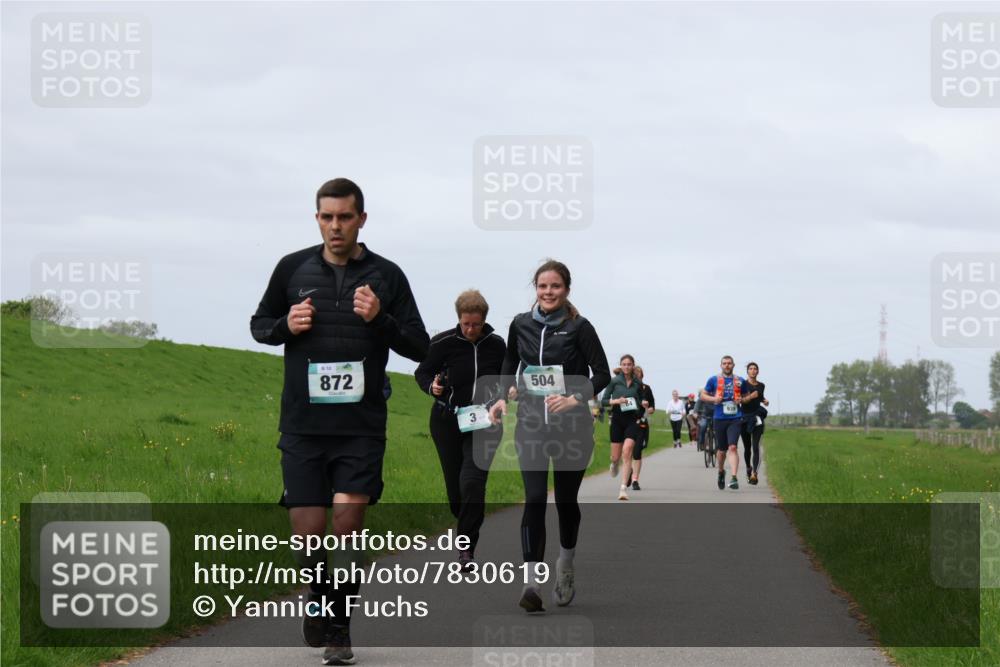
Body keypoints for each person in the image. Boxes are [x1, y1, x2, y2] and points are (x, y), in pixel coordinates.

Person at [250, 178, 429, 666]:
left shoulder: (387, 276)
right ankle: (317, 594)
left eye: (345, 217)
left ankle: (340, 628)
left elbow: (420, 345)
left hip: (360, 427)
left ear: (361, 220)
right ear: (317, 219)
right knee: (308, 532)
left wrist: (381, 321)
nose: (335, 226)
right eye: (327, 217)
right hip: (304, 426)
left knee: (348, 525)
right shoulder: (291, 268)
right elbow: (259, 324)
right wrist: (285, 325)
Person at [489, 259, 610, 613]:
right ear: (536, 289)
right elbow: (510, 363)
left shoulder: (580, 327)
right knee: (536, 498)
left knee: (566, 502)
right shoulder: (521, 324)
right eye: (542, 286)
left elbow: (600, 373)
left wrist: (574, 399)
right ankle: (530, 583)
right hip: (531, 423)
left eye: (555, 286)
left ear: (566, 290)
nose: (548, 292)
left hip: (572, 427)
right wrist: (502, 394)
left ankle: (566, 564)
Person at [414, 290, 506, 570]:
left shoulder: (497, 345)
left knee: (472, 484)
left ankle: (466, 550)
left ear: (484, 321)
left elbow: (507, 378)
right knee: (457, 494)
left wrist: (503, 398)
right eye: (465, 323)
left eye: (475, 324)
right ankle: (465, 520)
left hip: (486, 423)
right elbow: (422, 373)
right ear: (459, 319)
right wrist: (434, 387)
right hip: (447, 422)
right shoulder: (442, 342)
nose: (470, 329)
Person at [700, 355, 749, 491]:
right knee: (722, 451)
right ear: (721, 365)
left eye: (729, 363)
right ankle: (721, 471)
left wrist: (742, 400)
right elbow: (703, 395)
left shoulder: (740, 380)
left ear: (733, 365)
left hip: (735, 417)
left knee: (733, 447)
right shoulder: (714, 379)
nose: (727, 365)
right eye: (724, 363)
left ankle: (734, 478)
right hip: (720, 417)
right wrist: (714, 399)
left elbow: (746, 396)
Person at [601, 354, 646, 500]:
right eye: (624, 364)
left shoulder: (637, 383)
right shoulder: (614, 382)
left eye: (629, 364)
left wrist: (642, 405)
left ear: (633, 366)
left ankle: (622, 489)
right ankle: (614, 464)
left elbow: (640, 402)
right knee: (616, 457)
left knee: (627, 452)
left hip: (632, 421)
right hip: (617, 420)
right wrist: (617, 401)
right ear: (621, 366)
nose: (626, 366)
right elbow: (604, 401)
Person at [740, 361, 769, 485]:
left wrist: (765, 401)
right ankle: (748, 468)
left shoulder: (761, 385)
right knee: (747, 448)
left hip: (757, 417)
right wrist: (751, 397)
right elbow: (740, 400)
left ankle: (754, 475)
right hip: (744, 418)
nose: (752, 370)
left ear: (758, 371)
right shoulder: (742, 384)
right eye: (750, 368)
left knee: (756, 446)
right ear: (747, 371)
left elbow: (760, 396)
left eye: (755, 368)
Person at [628, 366, 655, 490]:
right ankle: (628, 472)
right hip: (627, 423)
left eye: (638, 374)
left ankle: (635, 480)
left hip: (642, 424)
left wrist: (650, 409)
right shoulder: (626, 389)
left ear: (642, 376)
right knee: (627, 452)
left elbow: (652, 406)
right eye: (634, 374)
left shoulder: (646, 389)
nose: (636, 376)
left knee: (637, 452)